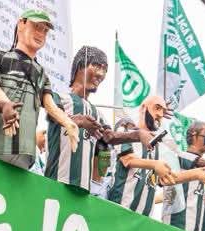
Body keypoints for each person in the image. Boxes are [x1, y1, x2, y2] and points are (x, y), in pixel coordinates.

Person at [0, 9, 78, 169]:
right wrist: (7, 105)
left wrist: (68, 123)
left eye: (45, 30)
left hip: (26, 155)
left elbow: (50, 105)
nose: (41, 33)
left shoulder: (41, 73)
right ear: (21, 24)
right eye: (36, 26)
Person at [45, 46, 153, 193]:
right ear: (79, 65)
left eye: (105, 70)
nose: (101, 74)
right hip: (55, 182)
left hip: (84, 190)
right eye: (96, 66)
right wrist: (78, 121)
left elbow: (109, 137)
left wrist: (138, 135)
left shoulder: (97, 113)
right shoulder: (59, 99)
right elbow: (54, 115)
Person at [106, 95, 190, 216]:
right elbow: (127, 160)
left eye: (163, 111)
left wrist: (197, 174)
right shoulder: (126, 127)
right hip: (118, 210)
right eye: (157, 108)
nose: (161, 114)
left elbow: (168, 176)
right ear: (143, 108)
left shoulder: (158, 146)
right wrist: (155, 164)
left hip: (144, 220)